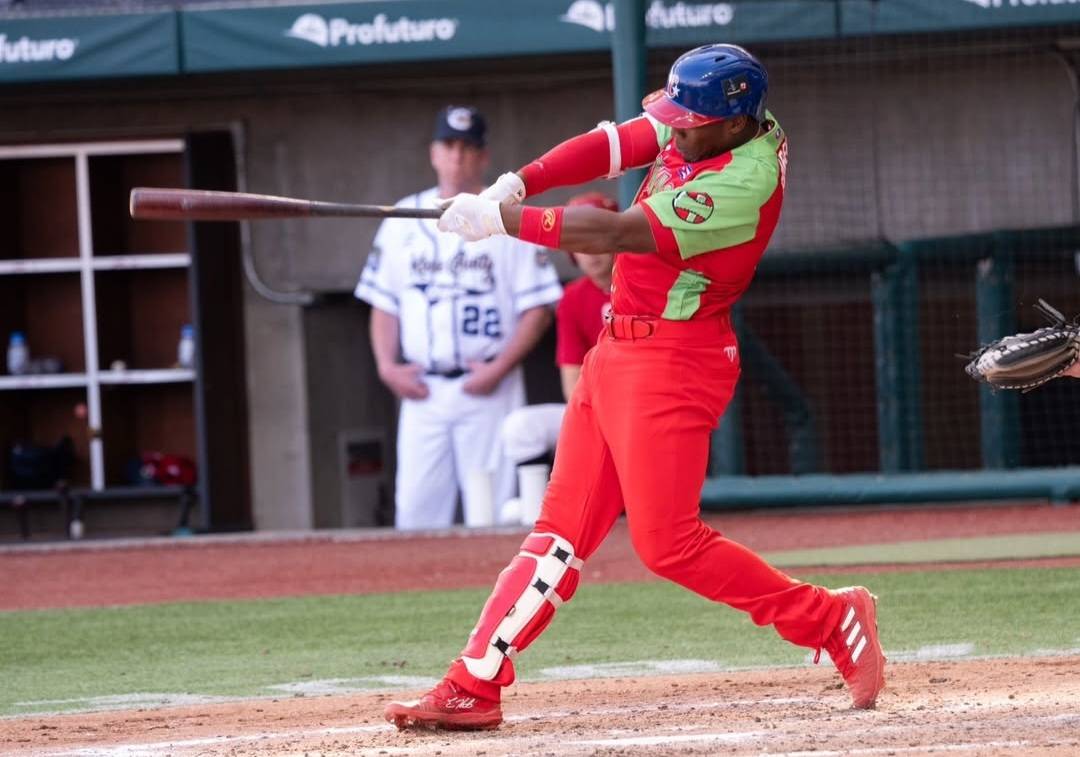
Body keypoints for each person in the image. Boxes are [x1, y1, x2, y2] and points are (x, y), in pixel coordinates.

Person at [384, 45, 885, 730]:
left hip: (676, 360)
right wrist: (517, 184)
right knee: (558, 533)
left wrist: (502, 224)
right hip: (617, 348)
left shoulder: (746, 179)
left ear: (735, 123)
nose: (674, 132)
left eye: (688, 125)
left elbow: (616, 231)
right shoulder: (708, 123)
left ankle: (829, 617)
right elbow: (614, 144)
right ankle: (473, 681)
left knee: (668, 543)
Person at [354, 105, 562, 530]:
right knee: (414, 514)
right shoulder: (401, 218)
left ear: (483, 156)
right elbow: (384, 303)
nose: (457, 155)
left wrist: (499, 368)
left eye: (467, 147)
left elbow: (538, 309)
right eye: (448, 145)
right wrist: (386, 366)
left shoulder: (507, 216)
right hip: (422, 390)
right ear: (433, 153)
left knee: (494, 513)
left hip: (489, 386)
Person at [496, 191, 616, 525]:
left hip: (644, 411)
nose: (590, 251)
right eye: (580, 242)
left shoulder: (645, 283)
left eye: (597, 239)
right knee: (522, 428)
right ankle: (543, 511)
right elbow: (571, 384)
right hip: (597, 411)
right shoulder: (573, 298)